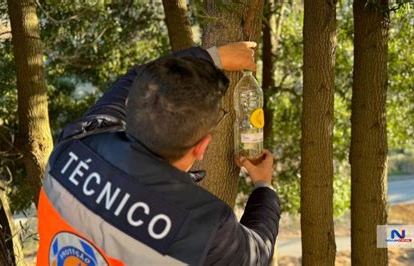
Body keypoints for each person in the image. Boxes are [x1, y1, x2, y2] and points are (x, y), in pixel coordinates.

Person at [36, 42, 281, 266]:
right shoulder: (204, 224)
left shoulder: (76, 142)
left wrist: (212, 57)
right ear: (201, 147)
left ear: (129, 105)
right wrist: (263, 186)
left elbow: (136, 79)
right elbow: (257, 252)